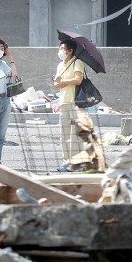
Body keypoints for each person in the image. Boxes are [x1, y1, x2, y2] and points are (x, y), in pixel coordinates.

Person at [53, 39, 86, 172]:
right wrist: (60, 82)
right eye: (59, 48)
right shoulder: (60, 65)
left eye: (62, 48)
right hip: (63, 103)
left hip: (76, 103)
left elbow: (78, 80)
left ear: (70, 51)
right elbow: (56, 84)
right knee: (64, 135)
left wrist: (63, 81)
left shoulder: (77, 62)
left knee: (75, 136)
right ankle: (67, 161)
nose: (60, 51)